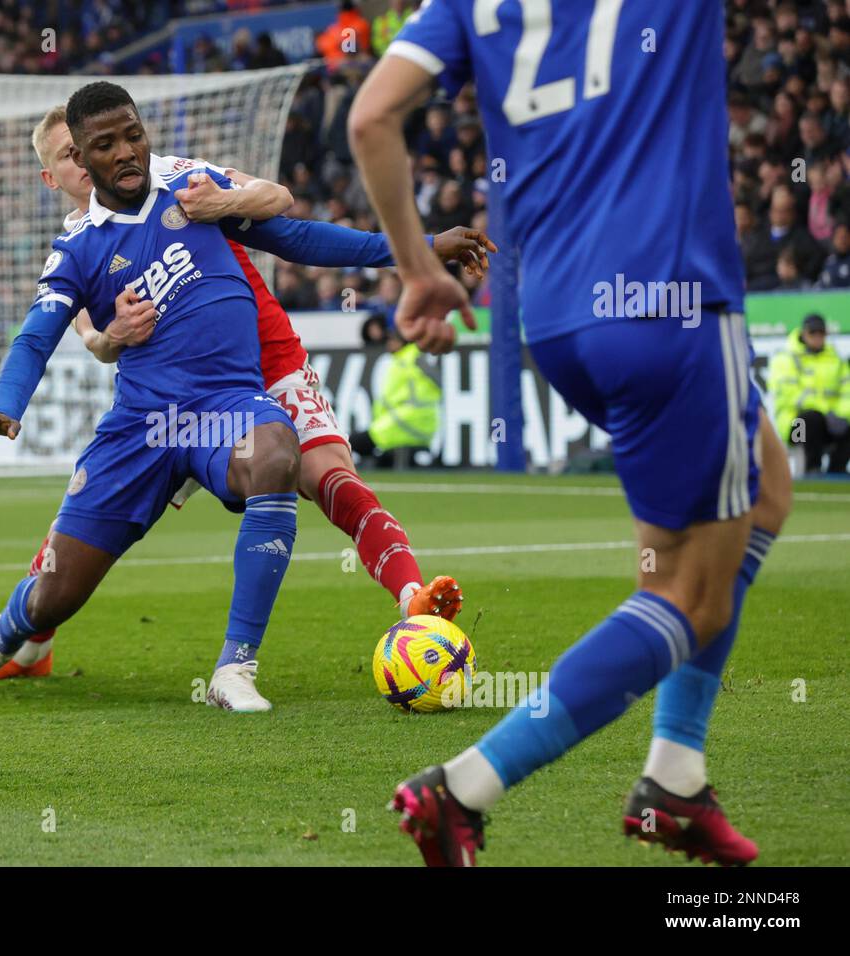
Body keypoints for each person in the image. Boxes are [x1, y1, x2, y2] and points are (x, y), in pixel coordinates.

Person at [347, 0, 793, 865]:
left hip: (556, 314)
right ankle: (466, 786)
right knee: (685, 596)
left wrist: (416, 268)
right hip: (672, 302)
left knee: (758, 492)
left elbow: (369, 117)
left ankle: (676, 776)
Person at [0, 102, 492, 686]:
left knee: (328, 477)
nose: (96, 161)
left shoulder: (172, 176)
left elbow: (281, 204)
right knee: (78, 536)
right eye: (72, 154)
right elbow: (91, 341)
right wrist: (111, 335)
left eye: (120, 140)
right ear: (57, 174)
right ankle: (31, 636)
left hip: (266, 359)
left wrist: (230, 201)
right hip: (173, 395)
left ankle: (410, 598)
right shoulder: (77, 247)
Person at [769, 313, 850, 475]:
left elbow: (847, 393)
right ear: (803, 333)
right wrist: (827, 413)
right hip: (795, 425)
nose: (817, 337)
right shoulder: (786, 358)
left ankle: (838, 471)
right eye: (813, 332)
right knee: (810, 419)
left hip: (830, 422)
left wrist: (841, 415)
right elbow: (790, 395)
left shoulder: (836, 360)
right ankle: (812, 469)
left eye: (821, 333)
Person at [349, 339, 441, 465]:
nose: (388, 343)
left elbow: (438, 381)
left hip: (404, 423)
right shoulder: (402, 359)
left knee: (350, 442)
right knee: (380, 458)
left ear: (402, 342)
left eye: (392, 339)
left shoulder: (413, 358)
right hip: (403, 422)